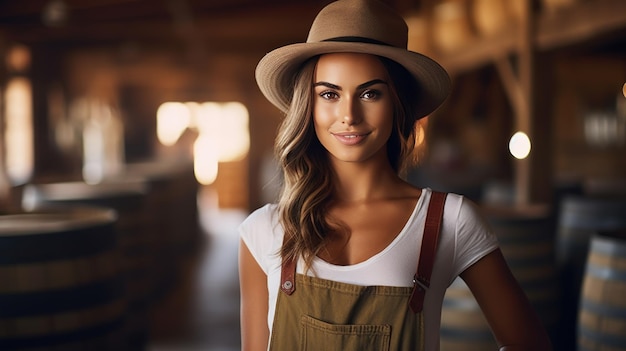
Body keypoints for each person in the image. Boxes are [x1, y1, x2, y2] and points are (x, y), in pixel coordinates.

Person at [238, 0, 553, 350]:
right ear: (307, 106)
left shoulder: (449, 221)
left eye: (370, 93)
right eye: (329, 94)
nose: (349, 115)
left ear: (398, 103)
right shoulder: (263, 232)